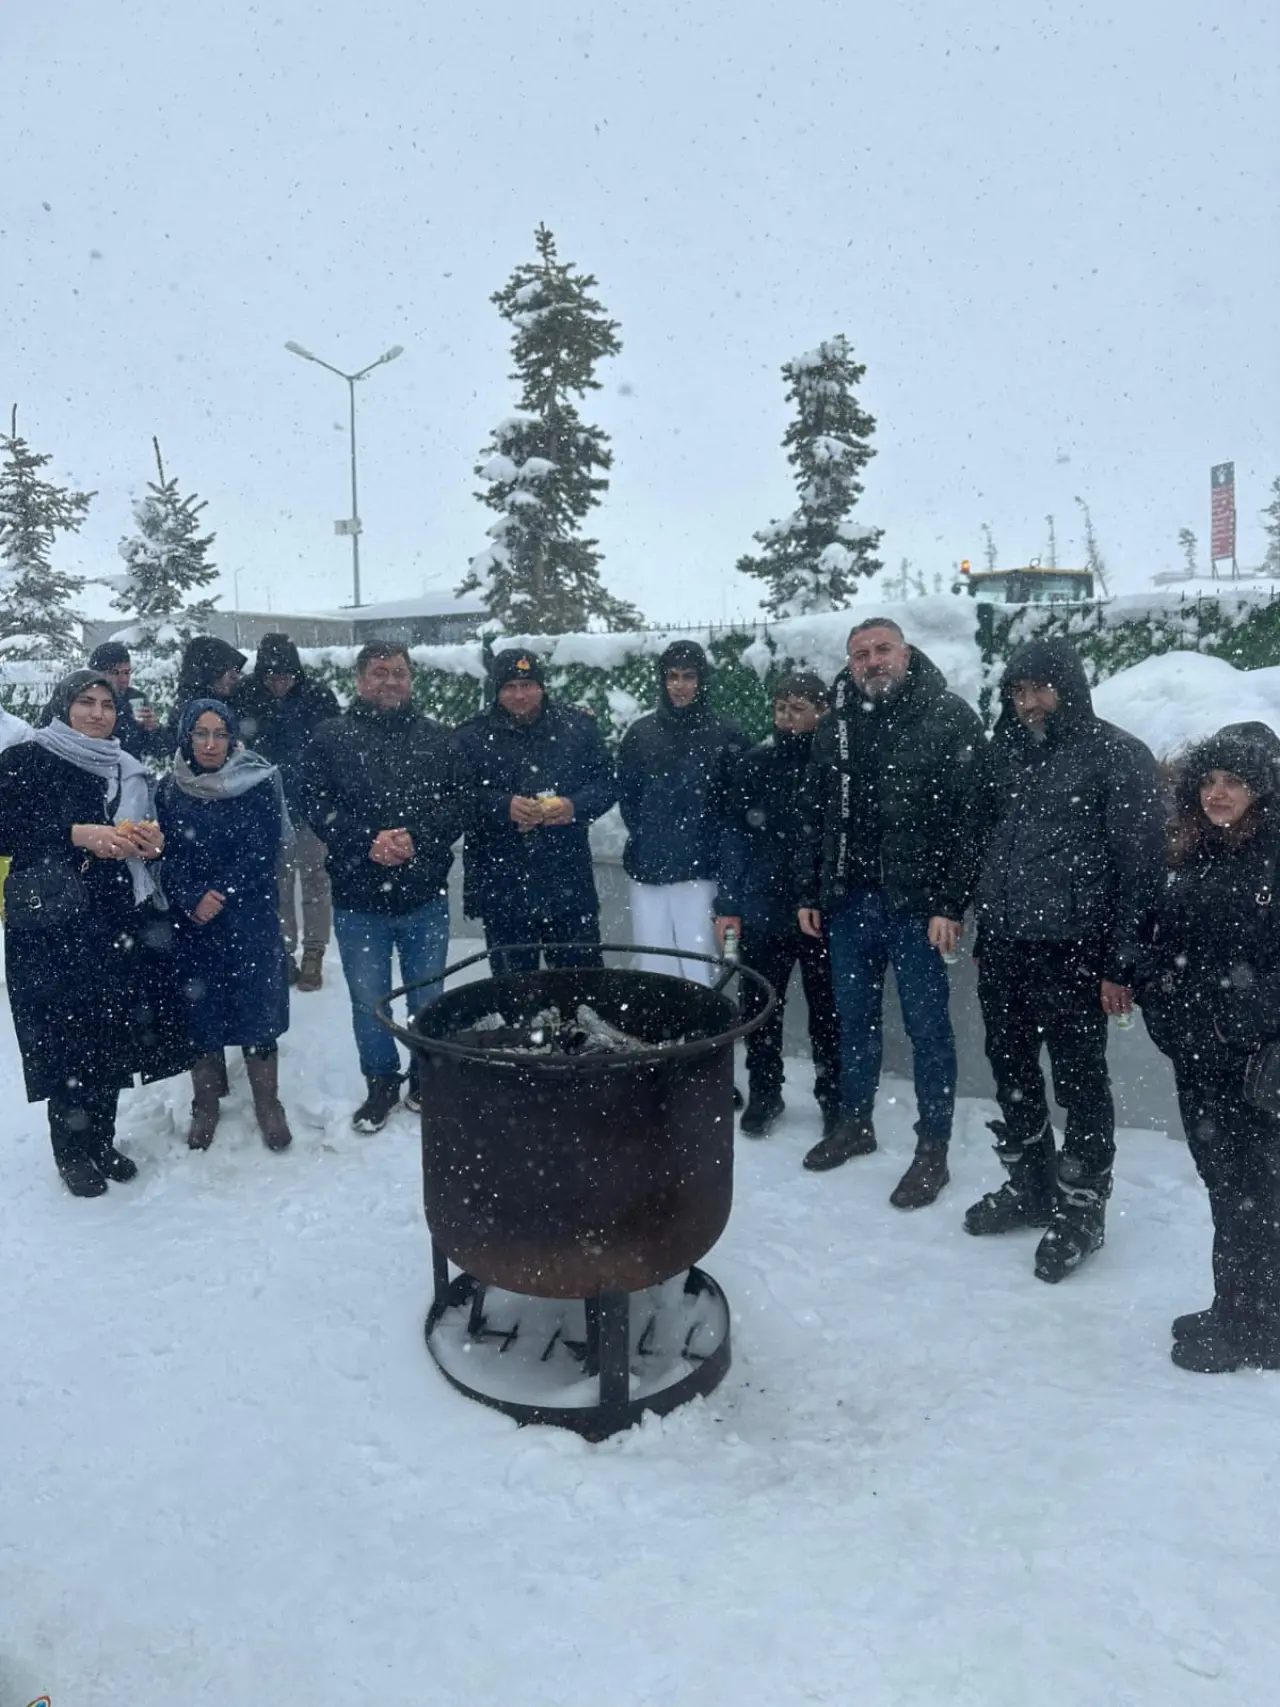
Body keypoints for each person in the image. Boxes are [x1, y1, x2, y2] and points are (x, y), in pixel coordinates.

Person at [965, 637, 1164, 1281]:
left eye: (1041, 689)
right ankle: (1031, 1184)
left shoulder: (1118, 755)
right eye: (1019, 692)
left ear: (1070, 688)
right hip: (1004, 944)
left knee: (1080, 1081)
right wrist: (976, 921)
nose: (1029, 703)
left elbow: (1141, 869)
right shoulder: (1005, 755)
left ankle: (1082, 1205)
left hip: (1076, 950)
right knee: (1011, 1068)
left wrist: (1122, 962)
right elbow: (985, 842)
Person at [795, 618, 984, 1206]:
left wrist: (950, 904)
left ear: (906, 652)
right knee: (854, 1023)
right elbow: (817, 814)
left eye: (882, 650)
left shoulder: (949, 717)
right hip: (850, 904)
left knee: (929, 1031)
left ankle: (933, 1148)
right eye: (860, 654)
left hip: (918, 908)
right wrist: (810, 891)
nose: (872, 661)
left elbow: (971, 821)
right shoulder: (837, 725)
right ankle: (856, 1123)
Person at [0, 670, 188, 1195]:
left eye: (107, 704)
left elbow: (150, 838)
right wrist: (75, 835)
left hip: (113, 921)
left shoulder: (125, 767)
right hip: (50, 927)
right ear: (64, 706)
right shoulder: (26, 759)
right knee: (63, 1038)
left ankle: (101, 1140)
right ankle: (70, 1150)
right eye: (86, 702)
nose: (97, 713)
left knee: (109, 1034)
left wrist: (152, 844)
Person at [1135, 724, 1280, 1372]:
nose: (1218, 793)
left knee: (1256, 1193)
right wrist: (1158, 997)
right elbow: (1164, 939)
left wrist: (1233, 1022)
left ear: (1261, 789)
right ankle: (1237, 1309)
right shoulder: (1193, 848)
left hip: (1253, 1060)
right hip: (1197, 1055)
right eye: (1210, 780)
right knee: (1225, 1185)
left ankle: (1258, 1330)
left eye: (1234, 782)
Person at [300, 642, 463, 1133]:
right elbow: (315, 803)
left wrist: (417, 838)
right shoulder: (331, 737)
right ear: (359, 680)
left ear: (411, 679)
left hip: (423, 894)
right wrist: (365, 841)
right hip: (359, 897)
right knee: (368, 1000)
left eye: (399, 672)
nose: (390, 681)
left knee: (427, 997)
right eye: (379, 672)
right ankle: (380, 1080)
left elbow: (457, 805)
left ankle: (425, 1077)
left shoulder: (438, 739)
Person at [156, 699, 294, 1152]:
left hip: (249, 916)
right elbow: (163, 854)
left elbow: (264, 849)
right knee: (202, 1012)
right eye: (201, 733)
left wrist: (223, 892)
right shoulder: (169, 790)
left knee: (258, 1011)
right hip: (194, 921)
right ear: (186, 737)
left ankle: (267, 1103)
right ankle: (206, 1103)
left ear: (233, 738)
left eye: (220, 734)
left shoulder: (257, 782)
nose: (211, 744)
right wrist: (191, 895)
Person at [715, 671, 841, 1137]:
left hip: (820, 910)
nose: (787, 717)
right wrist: (729, 903)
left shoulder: (833, 765)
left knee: (827, 1010)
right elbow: (734, 837)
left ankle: (833, 1097)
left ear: (822, 713)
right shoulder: (755, 763)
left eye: (799, 709)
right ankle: (765, 1091)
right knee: (761, 1006)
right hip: (763, 906)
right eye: (781, 708)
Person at [454, 649, 615, 974]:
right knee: (514, 990)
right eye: (509, 687)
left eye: (527, 685)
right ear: (497, 690)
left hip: (566, 883)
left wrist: (574, 806)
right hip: (503, 886)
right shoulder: (470, 736)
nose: (519, 695)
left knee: (580, 985)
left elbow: (607, 783)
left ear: (541, 687)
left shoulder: (577, 727)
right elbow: (456, 797)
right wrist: (503, 807)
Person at [618, 640, 748, 983]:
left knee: (699, 971)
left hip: (702, 873)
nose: (679, 685)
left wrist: (718, 863)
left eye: (688, 676)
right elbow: (629, 798)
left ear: (702, 680)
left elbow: (737, 813)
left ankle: (701, 1022)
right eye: (672, 676)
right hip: (649, 871)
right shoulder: (640, 734)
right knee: (654, 969)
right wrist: (651, 837)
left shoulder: (727, 735)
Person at [233, 632, 340, 992]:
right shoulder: (246, 697)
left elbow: (335, 747)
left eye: (286, 676)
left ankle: (314, 952)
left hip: (311, 806)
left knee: (315, 881)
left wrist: (326, 792)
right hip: (266, 808)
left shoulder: (318, 698)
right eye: (272, 676)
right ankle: (284, 952)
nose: (279, 683)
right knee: (277, 884)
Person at [87, 640, 168, 763]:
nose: (124, 679)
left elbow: (158, 750)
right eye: (115, 672)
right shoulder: (83, 701)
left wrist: (153, 729)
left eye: (127, 672)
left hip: (128, 770)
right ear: (97, 674)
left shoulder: (135, 699)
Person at [169, 637, 247, 740]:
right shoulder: (188, 715)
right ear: (208, 672)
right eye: (226, 668)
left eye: (236, 670)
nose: (235, 676)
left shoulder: (241, 703)